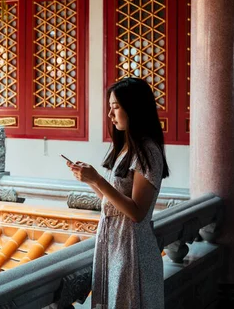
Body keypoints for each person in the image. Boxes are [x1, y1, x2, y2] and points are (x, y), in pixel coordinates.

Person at [66, 77, 169, 309]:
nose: (110, 115)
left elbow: (136, 212)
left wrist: (98, 180)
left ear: (134, 108)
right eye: (110, 108)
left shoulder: (148, 152)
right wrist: (90, 181)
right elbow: (113, 203)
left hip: (132, 249)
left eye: (115, 108)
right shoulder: (124, 148)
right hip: (114, 244)